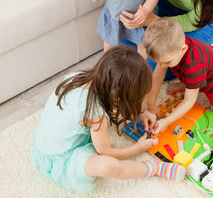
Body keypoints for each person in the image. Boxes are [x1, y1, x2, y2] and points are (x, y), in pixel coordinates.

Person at [31, 46, 186, 194]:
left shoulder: (77, 77)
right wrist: (138, 148)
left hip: (42, 147)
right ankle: (155, 168)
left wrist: (142, 112)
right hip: (61, 161)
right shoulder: (94, 111)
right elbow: (105, 151)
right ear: (118, 95)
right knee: (108, 166)